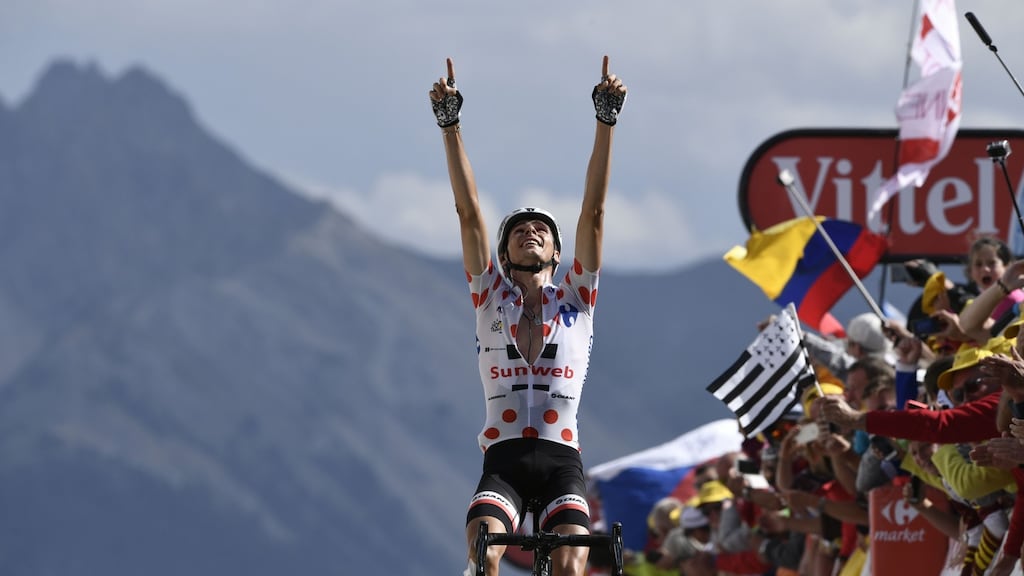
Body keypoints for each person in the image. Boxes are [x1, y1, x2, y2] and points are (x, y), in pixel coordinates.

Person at [430, 56, 627, 576]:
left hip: (563, 462)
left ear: (559, 254)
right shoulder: (489, 295)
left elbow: (595, 212)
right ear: (505, 250)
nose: (530, 231)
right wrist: (450, 125)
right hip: (505, 463)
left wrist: (605, 122)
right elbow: (468, 212)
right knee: (484, 553)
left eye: (541, 228)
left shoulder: (578, 297)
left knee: (570, 567)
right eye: (518, 229)